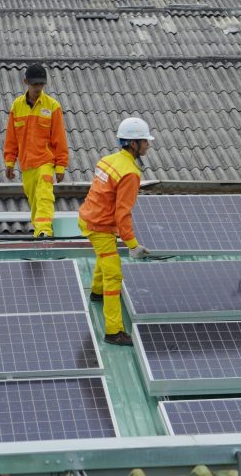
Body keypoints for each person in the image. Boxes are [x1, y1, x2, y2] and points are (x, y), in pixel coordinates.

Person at [78, 117, 156, 346]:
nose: (148, 144)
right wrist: (133, 245)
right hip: (99, 226)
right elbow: (123, 213)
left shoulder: (107, 160)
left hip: (87, 217)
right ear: (133, 144)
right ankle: (114, 331)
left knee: (106, 256)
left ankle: (97, 292)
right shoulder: (130, 173)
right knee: (113, 275)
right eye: (145, 141)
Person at [3, 64, 69, 238]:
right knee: (34, 202)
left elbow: (59, 138)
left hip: (45, 162)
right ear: (26, 82)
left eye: (41, 84)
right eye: (34, 84)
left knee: (44, 195)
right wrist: (9, 162)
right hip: (26, 165)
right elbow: (11, 138)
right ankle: (38, 233)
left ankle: (45, 230)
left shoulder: (52, 106)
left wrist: (60, 166)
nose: (38, 88)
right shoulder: (17, 106)